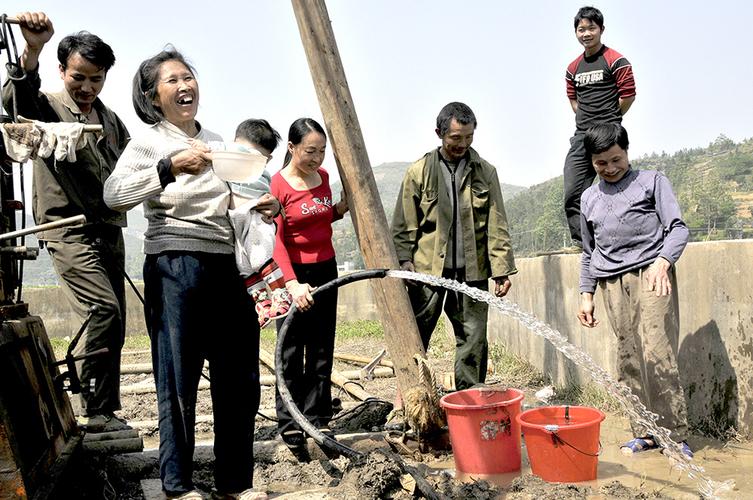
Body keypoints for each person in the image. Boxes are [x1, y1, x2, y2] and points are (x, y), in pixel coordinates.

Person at [103, 49, 274, 500]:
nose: (185, 86)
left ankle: (234, 482)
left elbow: (228, 199)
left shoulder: (217, 141)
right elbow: (114, 194)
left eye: (189, 77)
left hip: (224, 264)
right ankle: (177, 486)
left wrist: (258, 206)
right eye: (172, 80)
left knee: (239, 378)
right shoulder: (148, 142)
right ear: (152, 96)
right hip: (174, 261)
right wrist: (170, 167)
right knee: (177, 377)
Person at [2, 12, 131, 432]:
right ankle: (83, 401)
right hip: (68, 227)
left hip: (109, 228)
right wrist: (32, 50)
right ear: (62, 71)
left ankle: (103, 410)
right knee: (101, 310)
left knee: (116, 324)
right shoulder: (48, 105)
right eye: (79, 77)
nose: (87, 88)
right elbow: (15, 103)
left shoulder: (110, 120)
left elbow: (133, 166)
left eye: (97, 79)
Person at [577, 122, 692, 459]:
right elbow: (588, 251)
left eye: (616, 159)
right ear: (592, 162)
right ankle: (643, 433)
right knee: (628, 356)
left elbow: (678, 229)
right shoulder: (588, 198)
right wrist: (586, 294)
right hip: (611, 281)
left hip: (652, 274)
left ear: (626, 152)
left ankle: (675, 434)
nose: (611, 168)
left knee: (657, 351)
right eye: (602, 163)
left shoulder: (652, 182)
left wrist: (663, 261)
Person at [392, 101, 517, 392]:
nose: (462, 144)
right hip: (427, 272)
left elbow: (497, 224)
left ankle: (469, 401)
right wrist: (405, 261)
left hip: (472, 273)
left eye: (469, 137)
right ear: (439, 133)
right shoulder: (419, 172)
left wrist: (501, 269)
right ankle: (412, 398)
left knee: (473, 340)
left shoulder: (485, 172)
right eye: (456, 138)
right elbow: (403, 224)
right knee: (416, 337)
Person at [270, 118, 348, 452]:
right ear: (291, 148)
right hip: (292, 274)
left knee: (320, 348)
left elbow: (318, 216)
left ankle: (318, 419)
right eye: (309, 151)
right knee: (290, 351)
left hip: (325, 269)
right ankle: (290, 424)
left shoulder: (325, 178)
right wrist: (291, 283)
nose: (316, 158)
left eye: (321, 151)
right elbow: (276, 238)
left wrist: (340, 210)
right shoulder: (277, 185)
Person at [563, 6, 636, 247]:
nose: (586, 33)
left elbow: (628, 96)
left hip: (609, 133)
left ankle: (629, 236)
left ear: (601, 29)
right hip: (582, 135)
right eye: (581, 29)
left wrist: (611, 120)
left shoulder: (616, 61)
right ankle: (584, 244)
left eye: (591, 28)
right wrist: (587, 118)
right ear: (576, 32)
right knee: (573, 192)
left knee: (618, 184)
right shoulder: (572, 68)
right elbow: (573, 100)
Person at [221, 119, 293, 328]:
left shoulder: (258, 173)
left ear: (266, 160)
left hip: (254, 216)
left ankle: (281, 294)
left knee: (259, 258)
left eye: (254, 156)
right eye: (240, 150)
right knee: (244, 266)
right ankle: (262, 303)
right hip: (237, 221)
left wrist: (277, 207)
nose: (245, 158)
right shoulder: (227, 158)